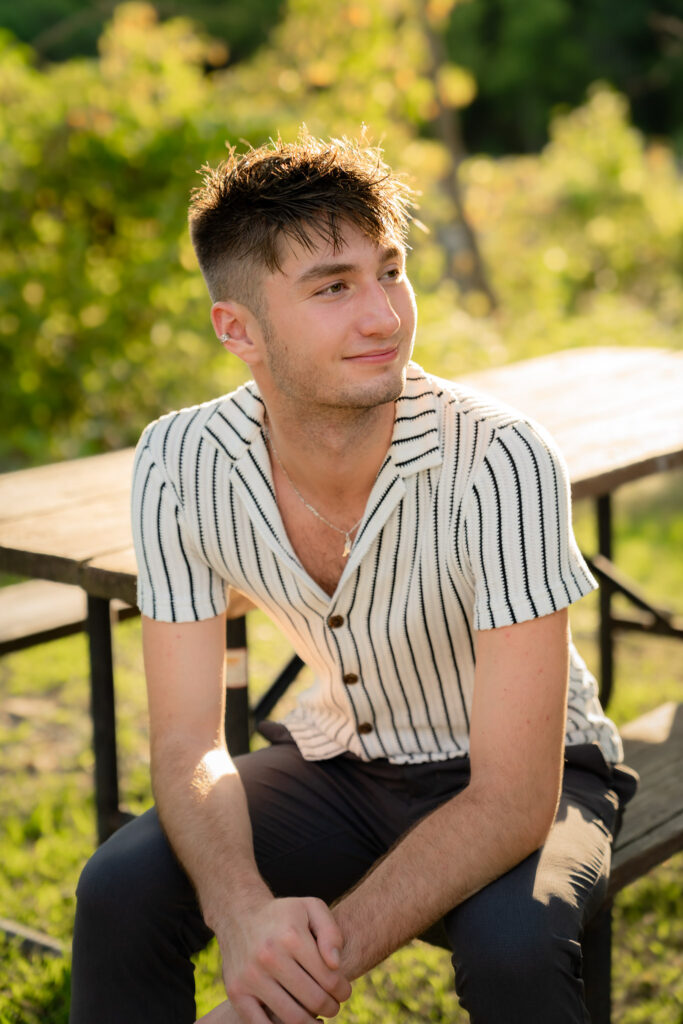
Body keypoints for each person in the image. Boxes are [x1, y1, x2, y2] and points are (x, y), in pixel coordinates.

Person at [69, 133, 637, 1024]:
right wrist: (244, 914)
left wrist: (293, 979)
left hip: (544, 776)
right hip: (342, 760)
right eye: (333, 287)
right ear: (237, 330)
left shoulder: (499, 456)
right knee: (120, 888)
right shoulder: (178, 461)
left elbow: (512, 798)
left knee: (512, 951)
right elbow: (188, 742)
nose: (384, 316)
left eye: (390, 271)